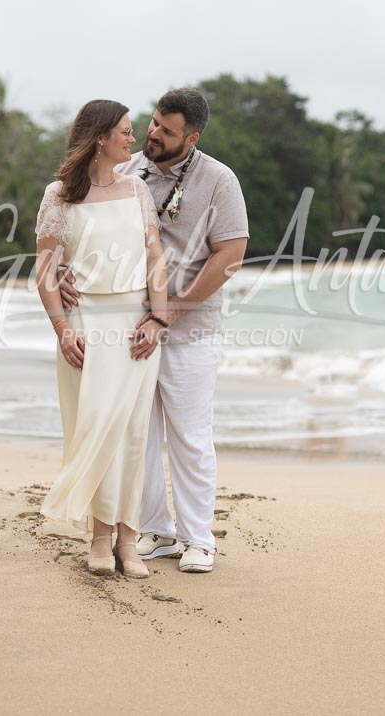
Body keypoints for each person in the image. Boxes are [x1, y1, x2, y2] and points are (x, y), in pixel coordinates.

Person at [59, 89, 248, 573]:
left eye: (167, 129)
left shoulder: (218, 180)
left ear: (193, 137)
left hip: (190, 328)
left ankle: (198, 538)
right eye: (153, 123)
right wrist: (62, 270)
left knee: (189, 436)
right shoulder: (127, 169)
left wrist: (169, 315)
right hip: (126, 331)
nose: (153, 133)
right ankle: (156, 531)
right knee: (135, 436)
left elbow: (230, 256)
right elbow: (80, 227)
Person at [35, 99, 168, 579]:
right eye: (125, 132)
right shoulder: (59, 195)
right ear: (99, 138)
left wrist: (158, 320)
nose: (133, 139)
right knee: (95, 428)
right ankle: (98, 536)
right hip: (86, 326)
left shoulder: (136, 189)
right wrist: (62, 329)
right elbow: (45, 269)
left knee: (132, 433)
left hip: (135, 327)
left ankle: (128, 540)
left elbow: (155, 257)